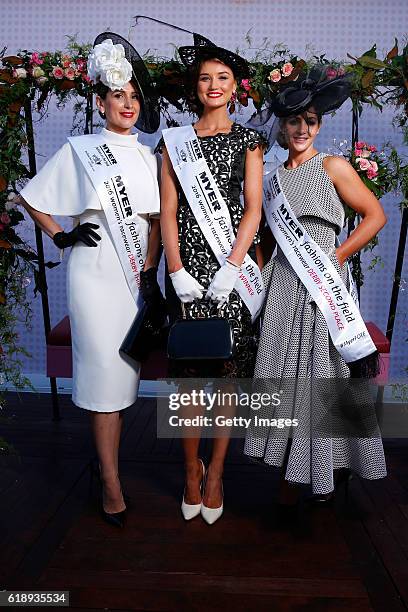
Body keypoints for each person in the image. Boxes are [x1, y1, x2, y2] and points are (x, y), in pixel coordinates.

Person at [16, 32, 163, 527]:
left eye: (133, 96)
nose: (127, 104)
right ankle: (111, 483)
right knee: (101, 374)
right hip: (93, 274)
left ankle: (107, 467)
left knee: (121, 380)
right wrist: (61, 235)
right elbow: (32, 197)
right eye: (117, 95)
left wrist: (150, 272)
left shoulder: (150, 156)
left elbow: (158, 222)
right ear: (100, 103)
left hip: (132, 279)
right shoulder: (80, 150)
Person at [244, 64, 387, 506]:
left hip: (323, 279)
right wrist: (255, 286)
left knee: (326, 375)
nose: (302, 129)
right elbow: (266, 239)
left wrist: (337, 258)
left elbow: (375, 215)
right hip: (285, 283)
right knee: (287, 375)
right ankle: (292, 464)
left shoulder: (334, 166)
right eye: (293, 122)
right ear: (282, 127)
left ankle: (332, 465)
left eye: (310, 121)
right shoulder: (271, 180)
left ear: (319, 124)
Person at [159, 34, 265, 524]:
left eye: (222, 77)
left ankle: (217, 472)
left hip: (231, 269)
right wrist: (176, 269)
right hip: (187, 273)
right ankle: (189, 471)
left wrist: (233, 264)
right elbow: (169, 209)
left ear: (235, 85)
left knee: (224, 378)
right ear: (195, 87)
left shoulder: (249, 140)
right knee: (188, 380)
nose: (213, 85)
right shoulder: (173, 141)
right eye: (205, 77)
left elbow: (253, 208)